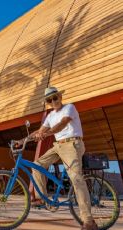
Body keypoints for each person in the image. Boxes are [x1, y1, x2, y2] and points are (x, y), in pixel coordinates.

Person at [17, 86, 97, 230]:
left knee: (77, 179)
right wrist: (22, 140)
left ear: (60, 97)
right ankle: (43, 199)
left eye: (55, 98)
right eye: (49, 100)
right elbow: (39, 131)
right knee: (37, 165)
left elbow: (63, 124)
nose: (53, 101)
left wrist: (47, 134)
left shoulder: (69, 108)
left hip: (73, 143)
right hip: (58, 146)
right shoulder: (50, 116)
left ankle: (89, 221)